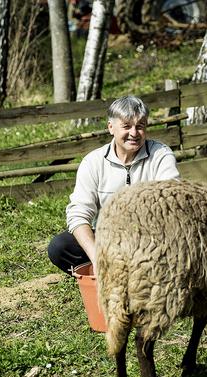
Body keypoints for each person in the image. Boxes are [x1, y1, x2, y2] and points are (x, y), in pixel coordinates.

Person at [48, 95, 180, 275]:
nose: (134, 133)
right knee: (60, 247)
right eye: (126, 126)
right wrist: (96, 256)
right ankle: (106, 274)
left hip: (151, 236)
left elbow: (172, 201)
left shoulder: (160, 155)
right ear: (111, 127)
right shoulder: (93, 162)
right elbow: (78, 214)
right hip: (107, 237)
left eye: (140, 126)